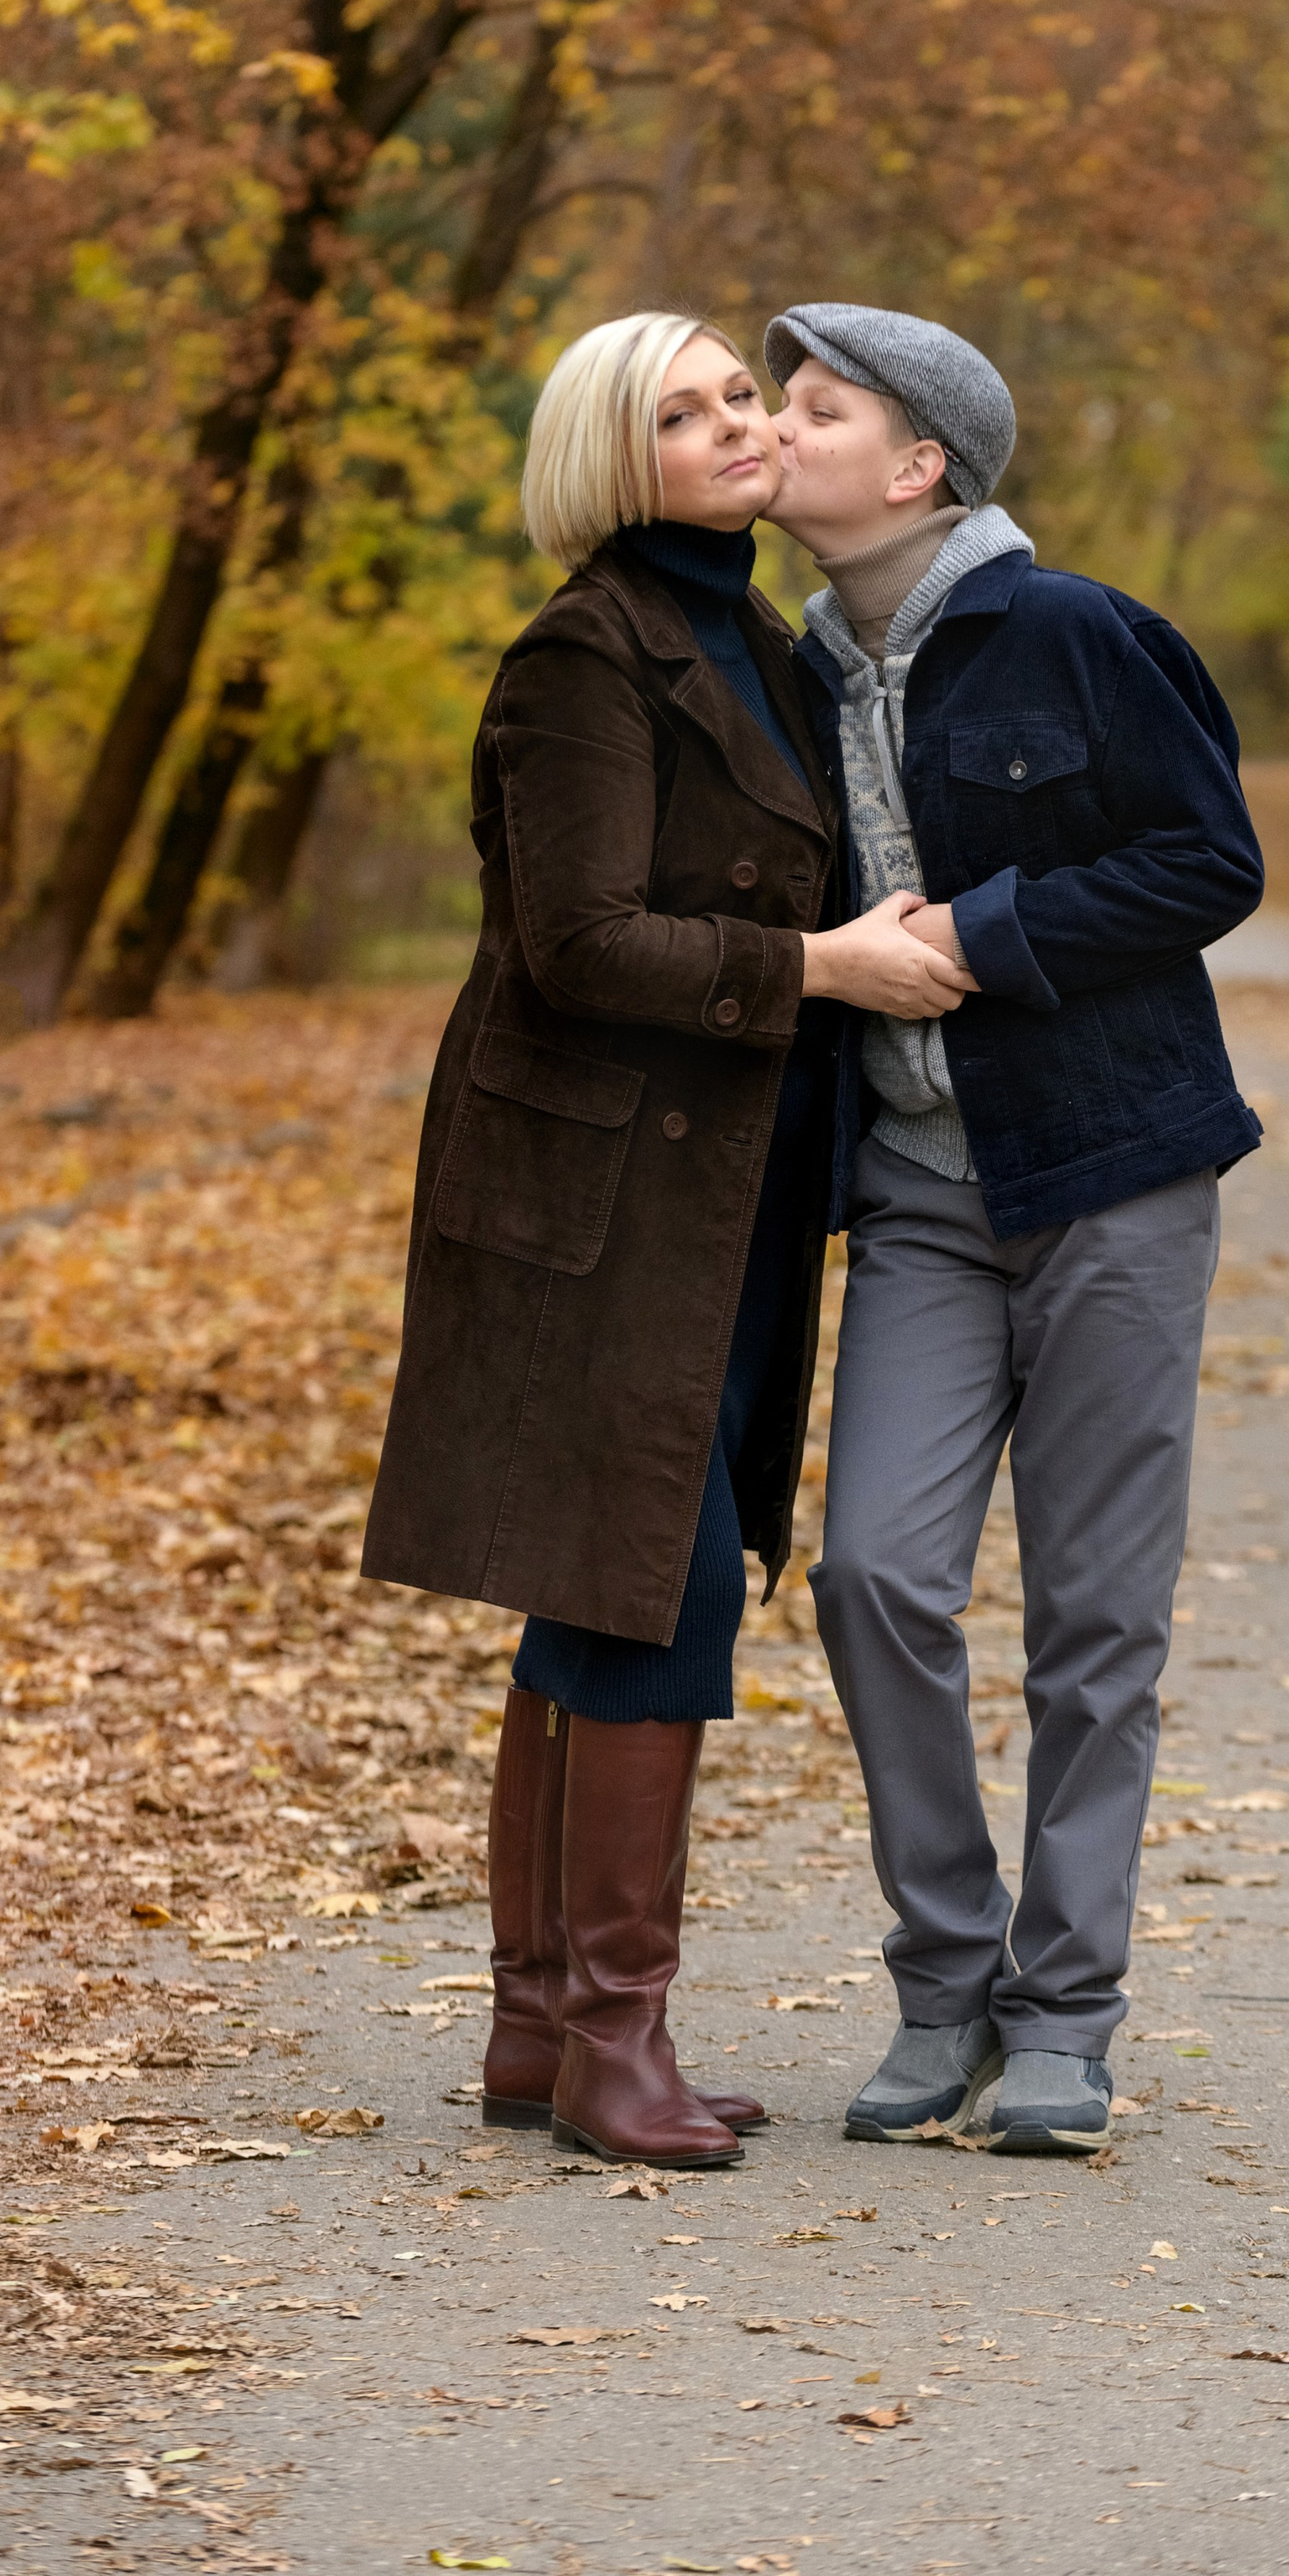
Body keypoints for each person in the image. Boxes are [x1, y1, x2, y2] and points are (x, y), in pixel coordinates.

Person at [361, 310, 969, 2169]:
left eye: (737, 403)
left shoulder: (765, 647)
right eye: (680, 411)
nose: (729, 430)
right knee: (653, 1582)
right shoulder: (582, 658)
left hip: (720, 1190)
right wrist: (819, 967)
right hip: (592, 1204)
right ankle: (612, 2037)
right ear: (608, 460)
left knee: (608, 1577)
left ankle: (540, 2025)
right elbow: (580, 942)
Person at [763, 303, 1265, 2155]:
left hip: (1112, 1176)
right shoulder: (792, 671)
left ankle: (1064, 2017)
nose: (776, 435)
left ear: (918, 467)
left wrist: (978, 936)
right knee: (873, 1576)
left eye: (815, 413)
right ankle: (943, 1976)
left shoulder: (1072, 631)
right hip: (910, 1197)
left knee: (1090, 1620)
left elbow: (1211, 861)